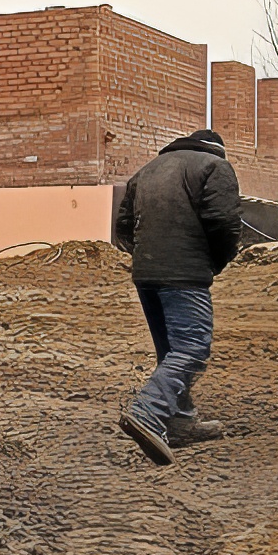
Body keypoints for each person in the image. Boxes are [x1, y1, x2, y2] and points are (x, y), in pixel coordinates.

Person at [114, 126, 241, 464]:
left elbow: (123, 226)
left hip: (146, 274)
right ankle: (147, 412)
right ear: (218, 149)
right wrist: (213, 262)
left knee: (170, 351)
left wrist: (146, 256)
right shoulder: (214, 166)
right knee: (191, 348)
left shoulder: (147, 170)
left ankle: (181, 423)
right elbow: (225, 222)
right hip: (184, 274)